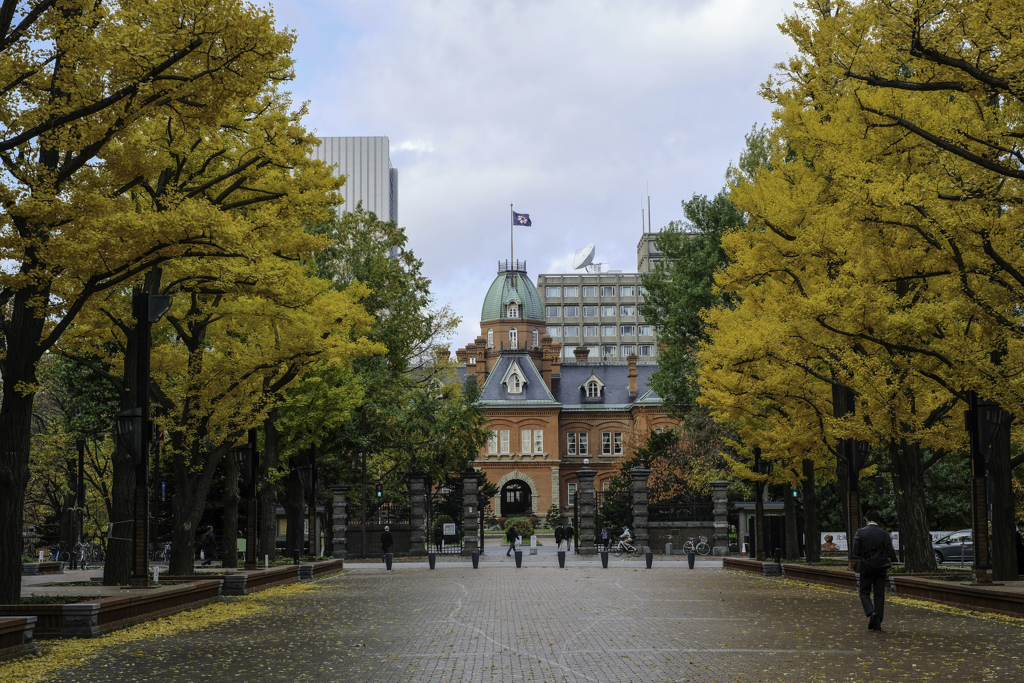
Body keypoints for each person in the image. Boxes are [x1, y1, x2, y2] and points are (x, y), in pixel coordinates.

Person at [852, 510, 897, 632]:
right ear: (878, 520)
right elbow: (890, 551)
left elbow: (855, 551)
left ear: (866, 519)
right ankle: (878, 621)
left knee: (864, 592)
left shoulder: (861, 532)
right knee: (879, 594)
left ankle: (871, 612)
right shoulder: (884, 534)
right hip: (881, 567)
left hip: (866, 566)